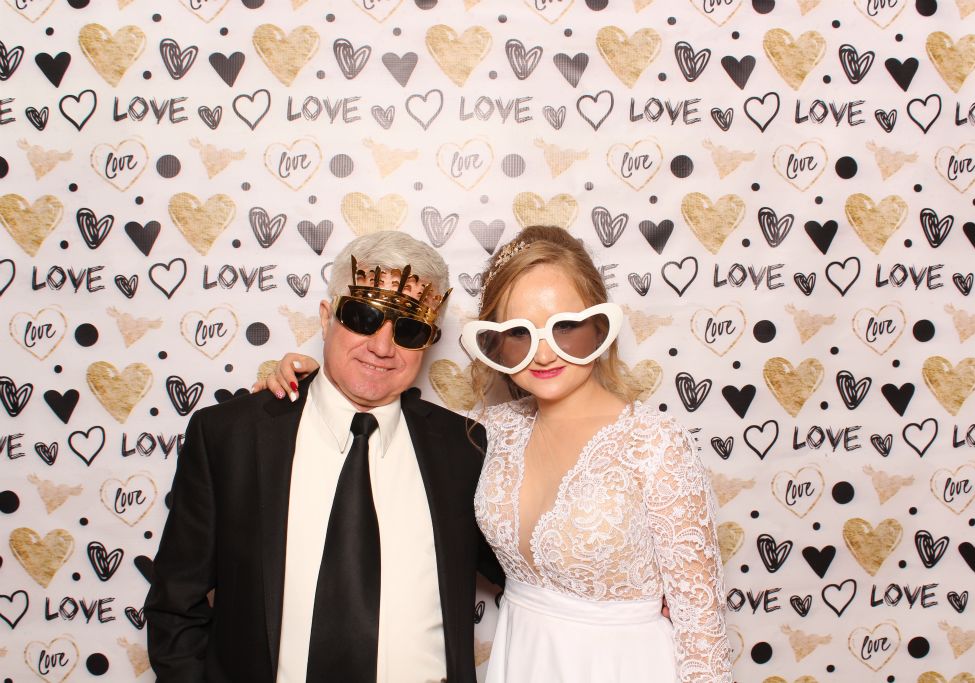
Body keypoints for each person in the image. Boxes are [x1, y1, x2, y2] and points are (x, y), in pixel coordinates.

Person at [265, 226, 731, 682]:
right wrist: (302, 392)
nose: (544, 354)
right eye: (519, 333)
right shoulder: (486, 433)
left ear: (599, 325)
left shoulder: (655, 442)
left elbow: (703, 636)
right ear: (494, 341)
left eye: (566, 327)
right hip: (520, 658)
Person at [145, 231, 503, 683]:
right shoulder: (230, 437)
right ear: (325, 317)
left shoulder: (465, 448)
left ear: (428, 342)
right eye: (363, 317)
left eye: (409, 329)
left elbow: (531, 573)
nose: (382, 347)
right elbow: (175, 605)